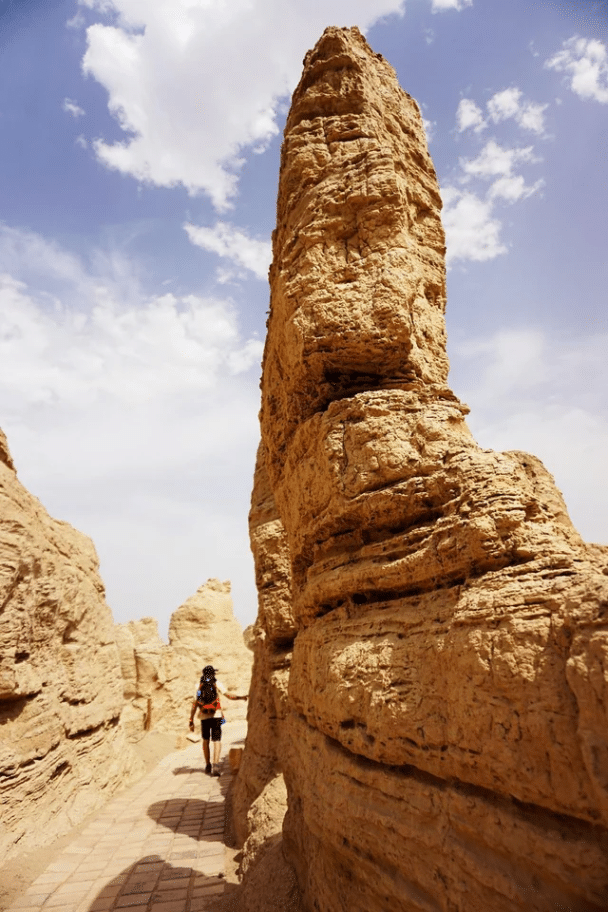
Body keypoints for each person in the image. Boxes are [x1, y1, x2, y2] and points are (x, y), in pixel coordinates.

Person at [189, 664, 248, 776]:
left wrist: (191, 719)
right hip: (216, 716)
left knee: (205, 740)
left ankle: (208, 764)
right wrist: (240, 697)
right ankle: (216, 764)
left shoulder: (198, 686)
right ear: (213, 674)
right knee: (217, 740)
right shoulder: (217, 684)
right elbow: (228, 695)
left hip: (204, 717)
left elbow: (195, 703)